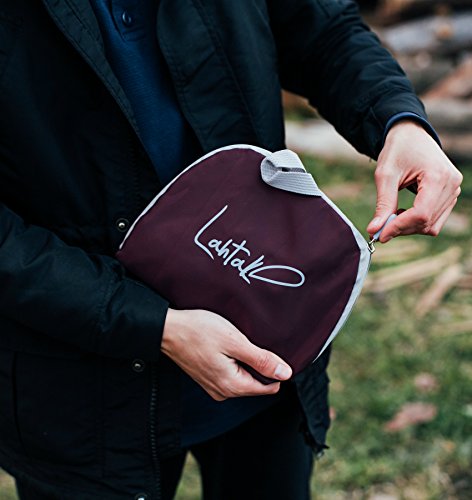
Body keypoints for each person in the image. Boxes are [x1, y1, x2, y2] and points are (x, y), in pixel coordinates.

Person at [0, 1, 462, 499]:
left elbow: (321, 28)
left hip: (266, 352)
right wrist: (155, 325)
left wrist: (398, 119)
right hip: (77, 391)